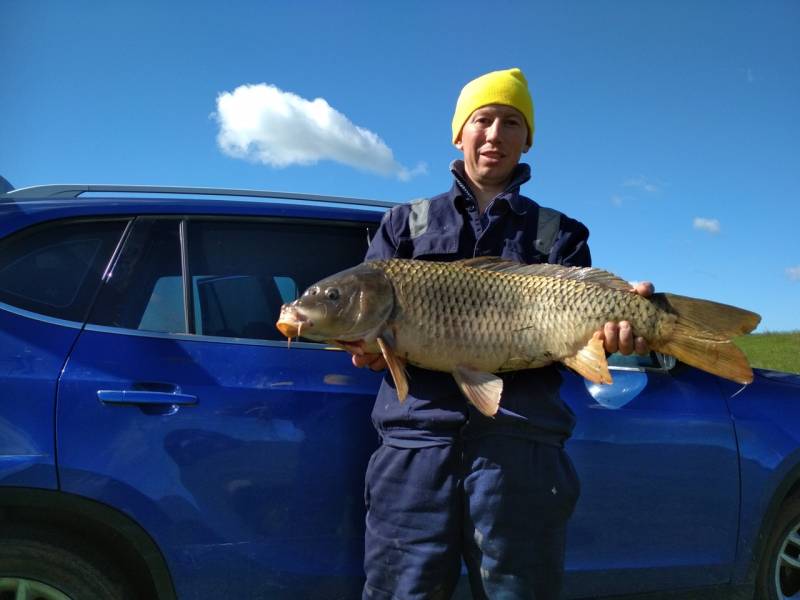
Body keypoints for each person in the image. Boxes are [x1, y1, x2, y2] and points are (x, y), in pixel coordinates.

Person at [353, 68, 651, 600]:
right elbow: (368, 326)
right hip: (415, 450)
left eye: (511, 122)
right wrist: (371, 351)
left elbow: (581, 338)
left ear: (527, 138)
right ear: (458, 133)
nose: (495, 134)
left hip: (522, 452)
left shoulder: (560, 234)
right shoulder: (403, 225)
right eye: (482, 120)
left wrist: (619, 329)